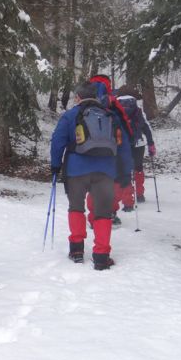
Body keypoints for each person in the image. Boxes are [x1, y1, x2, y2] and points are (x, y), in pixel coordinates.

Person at [50, 82, 133, 270]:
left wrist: (55, 166)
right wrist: (125, 172)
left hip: (76, 170)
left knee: (76, 208)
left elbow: (57, 141)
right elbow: (123, 145)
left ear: (78, 97)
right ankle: (102, 257)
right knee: (103, 213)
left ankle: (77, 250)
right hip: (105, 172)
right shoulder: (110, 115)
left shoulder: (70, 116)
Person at [86, 74, 134, 226]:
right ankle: (110, 213)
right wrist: (127, 168)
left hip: (89, 157)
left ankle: (94, 215)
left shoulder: (83, 107)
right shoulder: (113, 107)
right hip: (112, 156)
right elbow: (125, 139)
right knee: (114, 184)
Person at [116, 89, 156, 208]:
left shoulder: (116, 109)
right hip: (138, 144)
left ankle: (126, 198)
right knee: (138, 168)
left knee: (124, 171)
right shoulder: (137, 110)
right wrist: (151, 144)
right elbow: (146, 128)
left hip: (122, 145)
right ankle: (139, 194)